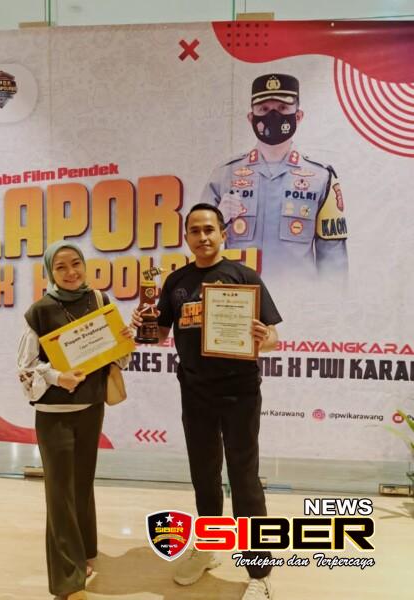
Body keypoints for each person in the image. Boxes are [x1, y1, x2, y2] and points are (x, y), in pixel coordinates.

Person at [132, 204, 282, 600]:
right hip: (195, 391)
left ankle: (259, 571)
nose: (203, 237)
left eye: (209, 229)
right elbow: (159, 334)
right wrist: (143, 325)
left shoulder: (244, 277)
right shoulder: (176, 281)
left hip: (239, 392)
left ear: (222, 234)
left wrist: (262, 337)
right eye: (195, 231)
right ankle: (211, 546)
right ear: (187, 237)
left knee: (244, 479)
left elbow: (272, 337)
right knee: (204, 474)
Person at [17, 240, 131, 600]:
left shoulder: (99, 301)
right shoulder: (40, 311)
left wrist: (124, 342)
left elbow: (117, 359)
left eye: (76, 263)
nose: (71, 272)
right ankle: (68, 583)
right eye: (61, 266)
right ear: (50, 272)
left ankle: (85, 553)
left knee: (81, 484)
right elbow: (25, 368)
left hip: (91, 409)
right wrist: (56, 377)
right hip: (54, 415)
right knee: (59, 492)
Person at [201, 73, 348, 280]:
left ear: (298, 116)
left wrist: (330, 300)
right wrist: (219, 220)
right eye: (264, 109)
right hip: (238, 294)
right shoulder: (224, 175)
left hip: (296, 295)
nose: (273, 116)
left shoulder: (321, 177)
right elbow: (197, 246)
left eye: (282, 108)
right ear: (251, 118)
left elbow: (333, 261)